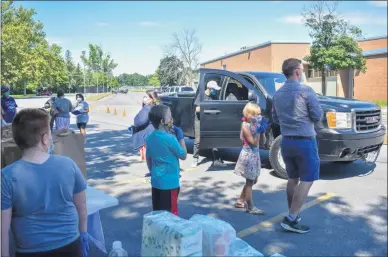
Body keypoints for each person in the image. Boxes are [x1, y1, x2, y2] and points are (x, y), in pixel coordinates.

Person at [1, 108, 89, 257]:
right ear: (44, 139)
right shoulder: (68, 164)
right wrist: (84, 232)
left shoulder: (6, 176)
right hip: (70, 245)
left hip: (29, 250)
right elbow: (82, 206)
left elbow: (3, 229)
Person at [272, 58, 323, 233]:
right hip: (305, 141)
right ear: (297, 71)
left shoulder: (277, 94)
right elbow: (317, 115)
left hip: (286, 142)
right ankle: (292, 218)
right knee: (307, 179)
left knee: (293, 178)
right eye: (302, 69)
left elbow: (275, 118)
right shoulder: (306, 91)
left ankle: (293, 214)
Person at [146, 105, 187, 215]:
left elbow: (148, 159)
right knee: (170, 215)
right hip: (170, 184)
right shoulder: (170, 138)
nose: (171, 119)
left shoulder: (149, 137)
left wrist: (152, 172)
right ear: (162, 121)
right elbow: (183, 155)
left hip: (156, 182)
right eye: (169, 117)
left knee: (158, 214)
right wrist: (181, 137)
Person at [234, 102, 265, 215]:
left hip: (255, 155)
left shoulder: (254, 125)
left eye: (259, 115)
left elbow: (262, 143)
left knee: (253, 180)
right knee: (249, 181)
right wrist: (257, 131)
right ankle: (250, 207)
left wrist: (262, 131)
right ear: (249, 115)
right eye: (256, 115)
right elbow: (253, 143)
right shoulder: (245, 126)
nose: (259, 117)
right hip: (248, 156)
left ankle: (240, 201)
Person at [193, 80, 226, 168]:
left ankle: (217, 159)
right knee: (198, 140)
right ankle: (195, 158)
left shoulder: (214, 96)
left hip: (210, 119)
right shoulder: (201, 95)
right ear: (209, 88)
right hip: (200, 120)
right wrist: (207, 107)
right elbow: (197, 109)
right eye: (214, 89)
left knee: (213, 139)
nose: (215, 91)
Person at [133, 95, 155, 162]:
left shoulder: (146, 109)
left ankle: (147, 159)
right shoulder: (153, 107)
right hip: (152, 132)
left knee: (145, 149)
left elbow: (141, 121)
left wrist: (135, 122)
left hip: (146, 133)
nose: (144, 99)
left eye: (146, 98)